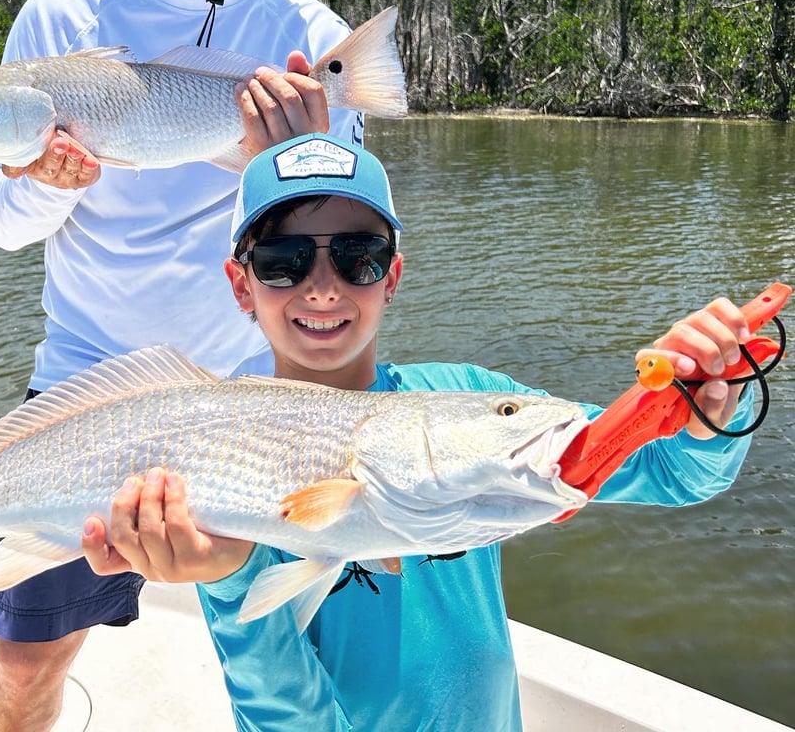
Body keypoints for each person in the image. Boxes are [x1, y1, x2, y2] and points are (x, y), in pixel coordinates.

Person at [81, 132, 756, 731]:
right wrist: (226, 580)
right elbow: (286, 719)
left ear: (393, 277)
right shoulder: (215, 441)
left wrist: (701, 404)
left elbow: (677, 473)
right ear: (240, 284)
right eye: (284, 259)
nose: (323, 288)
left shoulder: (476, 400)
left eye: (359, 256)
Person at [0, 0, 363, 729]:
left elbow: (335, 260)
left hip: (258, 403)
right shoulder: (59, 22)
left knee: (291, 669)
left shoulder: (315, 41)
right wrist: (46, 181)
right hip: (87, 386)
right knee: (21, 661)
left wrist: (298, 168)